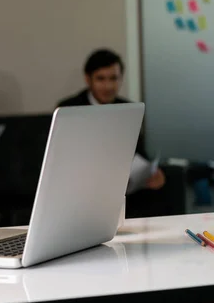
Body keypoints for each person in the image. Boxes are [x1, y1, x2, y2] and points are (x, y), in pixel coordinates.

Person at [57, 48, 167, 217]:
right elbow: (62, 157)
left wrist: (151, 173)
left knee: (158, 192)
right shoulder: (69, 109)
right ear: (88, 79)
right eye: (101, 79)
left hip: (123, 186)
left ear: (121, 79)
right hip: (83, 185)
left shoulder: (129, 109)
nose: (108, 86)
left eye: (113, 79)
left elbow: (139, 154)